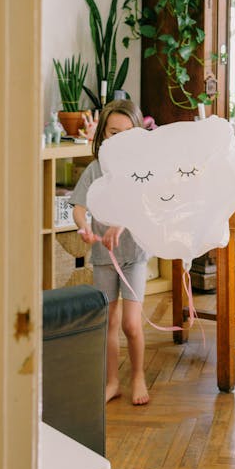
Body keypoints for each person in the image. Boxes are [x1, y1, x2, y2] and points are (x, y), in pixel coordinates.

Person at [71, 99, 150, 405]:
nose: (120, 139)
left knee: (131, 324)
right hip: (104, 258)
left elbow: (144, 207)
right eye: (114, 133)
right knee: (109, 322)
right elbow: (80, 207)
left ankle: (139, 375)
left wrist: (121, 225)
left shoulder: (142, 171)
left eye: (127, 133)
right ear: (103, 135)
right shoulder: (95, 169)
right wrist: (83, 227)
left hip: (134, 255)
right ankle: (113, 381)